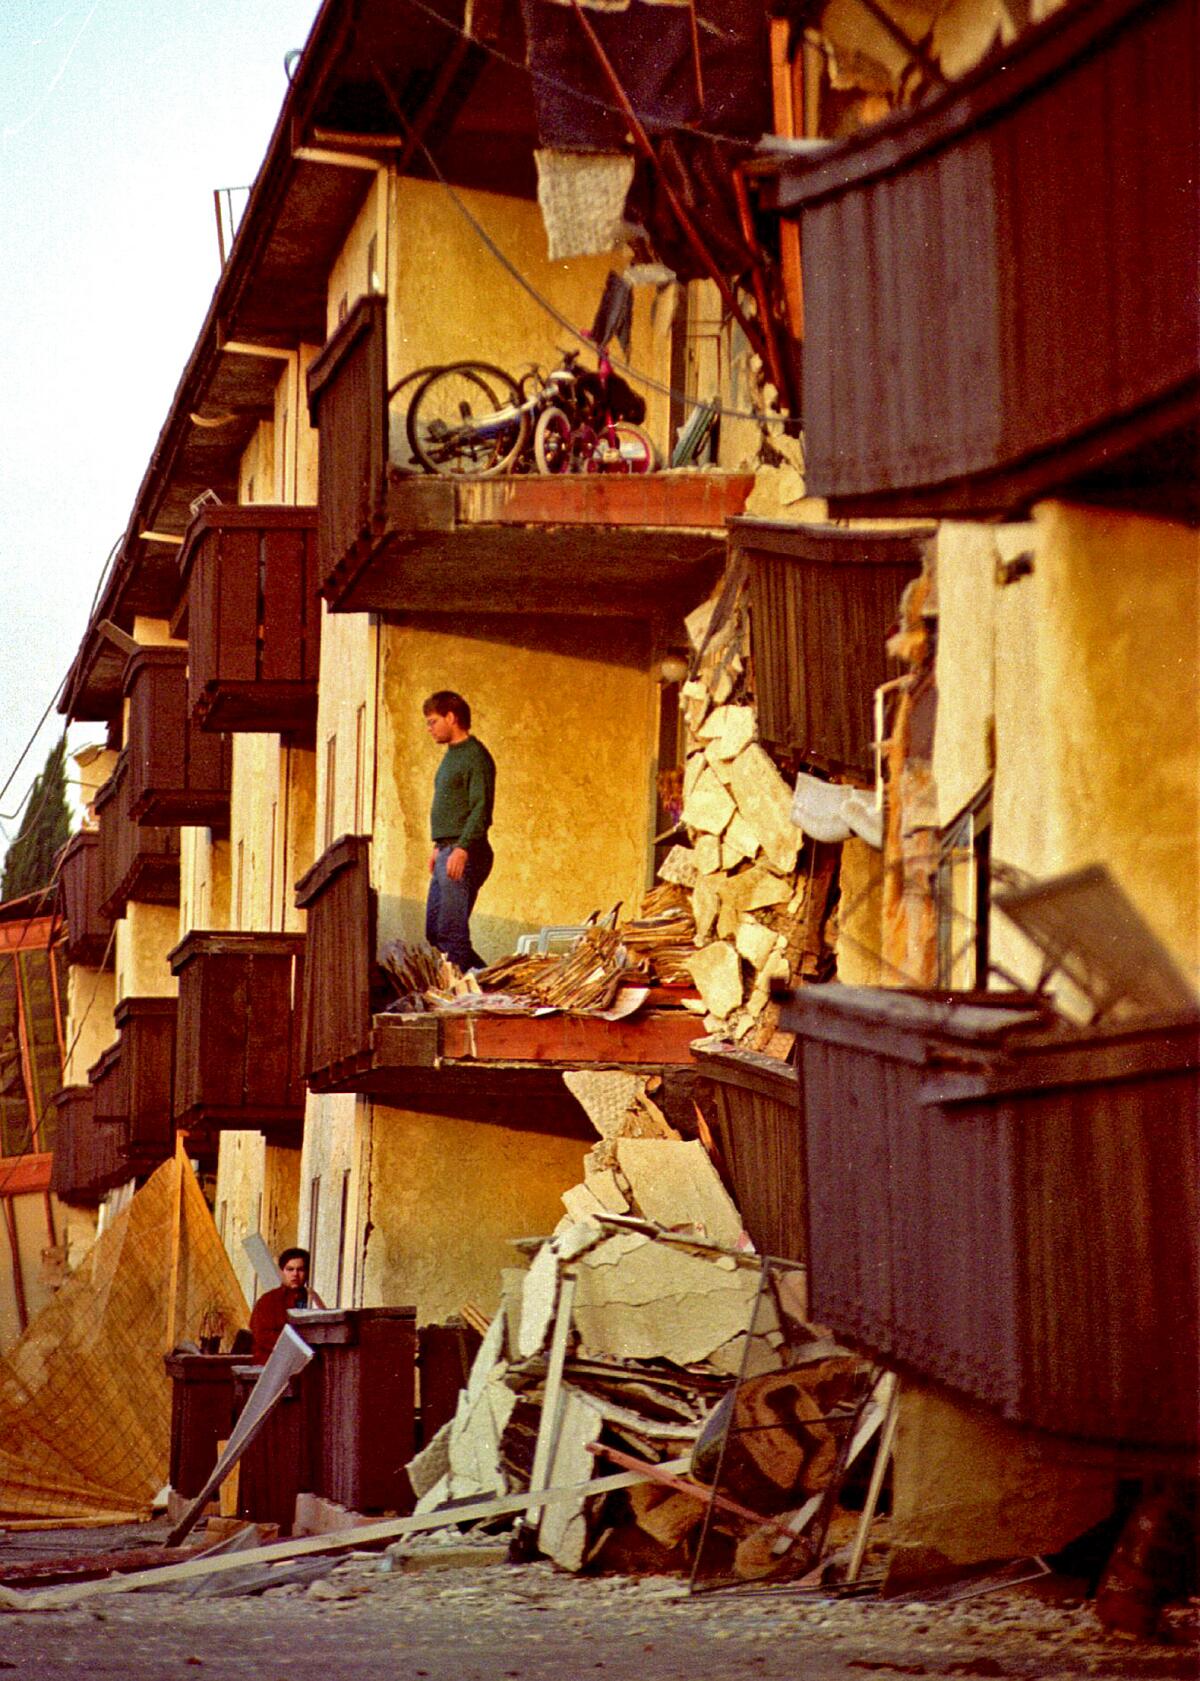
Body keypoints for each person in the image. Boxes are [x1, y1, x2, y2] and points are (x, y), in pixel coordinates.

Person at [423, 689, 495, 973]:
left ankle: (478, 991)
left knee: (452, 934)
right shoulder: (452, 756)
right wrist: (438, 846)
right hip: (447, 849)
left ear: (451, 718)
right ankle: (488, 982)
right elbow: (451, 805)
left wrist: (462, 848)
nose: (429, 729)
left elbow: (481, 809)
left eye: (432, 721)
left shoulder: (475, 756)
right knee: (435, 931)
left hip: (465, 851)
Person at [248, 1247, 319, 1364]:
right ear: (282, 1271)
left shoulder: (313, 1299)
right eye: (290, 1269)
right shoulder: (268, 1301)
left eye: (300, 1269)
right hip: (273, 1363)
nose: (295, 1274)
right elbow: (262, 1336)